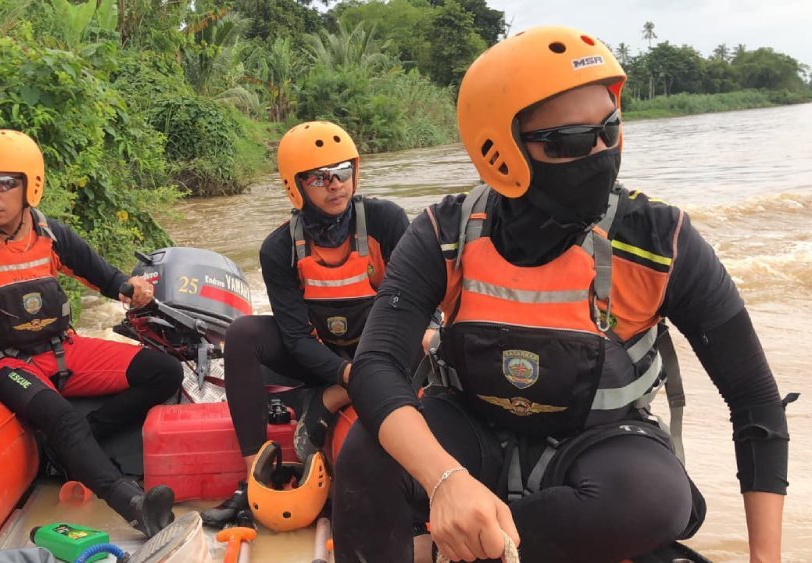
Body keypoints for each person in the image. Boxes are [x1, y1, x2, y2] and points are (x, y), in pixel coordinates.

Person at [332, 26, 790, 562]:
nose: (600, 152)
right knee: (366, 453)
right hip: (470, 432)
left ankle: (460, 548)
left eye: (609, 129)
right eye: (571, 141)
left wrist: (767, 559)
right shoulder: (444, 231)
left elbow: (755, 402)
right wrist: (445, 481)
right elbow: (376, 365)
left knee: (651, 500)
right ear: (499, 152)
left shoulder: (659, 240)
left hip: (599, 441)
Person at [0, 129, 183, 538]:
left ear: (31, 185)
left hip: (64, 349)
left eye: (5, 182)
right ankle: (131, 504)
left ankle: (84, 437)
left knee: (165, 371)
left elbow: (100, 273)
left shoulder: (49, 232)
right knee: (60, 416)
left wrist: (129, 288)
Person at [200, 121, 415, 528]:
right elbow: (296, 338)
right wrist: (347, 373)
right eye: (320, 178)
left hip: (378, 347)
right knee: (243, 334)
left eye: (342, 172)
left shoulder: (386, 221)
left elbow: (411, 302)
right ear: (295, 186)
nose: (335, 186)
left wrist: (372, 367)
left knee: (432, 335)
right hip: (319, 353)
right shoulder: (279, 248)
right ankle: (254, 477)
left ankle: (330, 400)